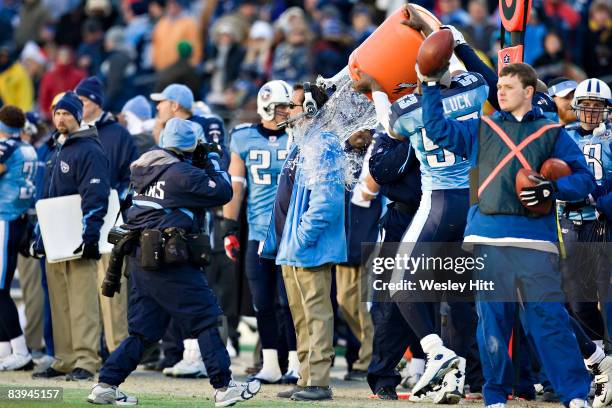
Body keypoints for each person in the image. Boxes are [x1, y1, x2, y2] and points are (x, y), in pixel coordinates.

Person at [419, 61, 595, 407]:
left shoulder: (551, 132)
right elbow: (438, 130)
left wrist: (553, 188)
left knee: (551, 322)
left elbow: (584, 180)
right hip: (488, 238)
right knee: (492, 325)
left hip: (534, 241)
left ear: (529, 92)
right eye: (498, 86)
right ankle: (495, 397)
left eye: (508, 87)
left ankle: (575, 395)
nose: (499, 91)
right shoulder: (480, 128)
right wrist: (428, 85)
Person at [88, 117, 261, 406]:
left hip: (141, 259)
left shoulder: (143, 166)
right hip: (170, 259)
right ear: (189, 144)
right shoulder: (182, 173)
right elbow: (223, 191)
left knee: (144, 332)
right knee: (206, 317)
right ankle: (223, 386)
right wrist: (213, 160)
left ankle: (106, 383)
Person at [353, 52, 488, 399]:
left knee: (426, 293)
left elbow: (391, 126)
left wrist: (379, 92)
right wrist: (452, 39)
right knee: (415, 299)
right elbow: (480, 75)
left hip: (434, 208)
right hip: (457, 206)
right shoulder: (470, 93)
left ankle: (440, 356)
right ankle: (422, 368)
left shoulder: (407, 113)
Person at [262, 82, 345, 401]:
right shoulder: (303, 143)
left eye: (291, 105)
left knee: (317, 316)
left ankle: (319, 381)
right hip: (293, 249)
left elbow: (327, 201)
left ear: (310, 108)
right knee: (302, 318)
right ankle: (307, 377)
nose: (284, 111)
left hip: (309, 248)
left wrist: (301, 238)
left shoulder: (322, 142)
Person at [223, 79, 299, 384]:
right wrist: (230, 227)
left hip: (290, 231)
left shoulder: (298, 136)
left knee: (288, 301)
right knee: (263, 301)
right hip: (256, 230)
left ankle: (295, 361)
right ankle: (270, 363)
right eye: (282, 106)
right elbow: (236, 188)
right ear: (266, 105)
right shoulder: (242, 138)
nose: (287, 111)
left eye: (288, 106)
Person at [32, 92, 110, 381]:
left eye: (66, 113)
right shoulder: (56, 148)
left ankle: (87, 360)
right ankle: (64, 358)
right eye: (56, 113)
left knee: (82, 302)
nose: (60, 118)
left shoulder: (89, 149)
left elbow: (96, 195)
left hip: (77, 238)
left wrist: (90, 235)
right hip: (55, 239)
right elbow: (47, 198)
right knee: (60, 302)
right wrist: (39, 235)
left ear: (78, 115)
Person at [558, 78, 612, 408]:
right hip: (573, 227)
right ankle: (597, 370)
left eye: (597, 105)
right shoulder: (563, 136)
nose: (590, 111)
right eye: (586, 104)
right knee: (579, 302)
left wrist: (598, 197)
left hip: (604, 225)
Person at [75, 76, 139, 354]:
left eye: (83, 102)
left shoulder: (118, 135)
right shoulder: (73, 132)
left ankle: (117, 352)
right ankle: (87, 350)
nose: (78, 107)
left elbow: (132, 178)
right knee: (83, 290)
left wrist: (119, 206)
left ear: (96, 103)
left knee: (110, 285)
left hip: (111, 218)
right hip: (76, 218)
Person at [0, 106, 38, 371]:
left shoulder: (9, 147)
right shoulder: (28, 148)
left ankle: (21, 350)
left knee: (0, 289)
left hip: (5, 219)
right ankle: (5, 347)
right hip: (18, 221)